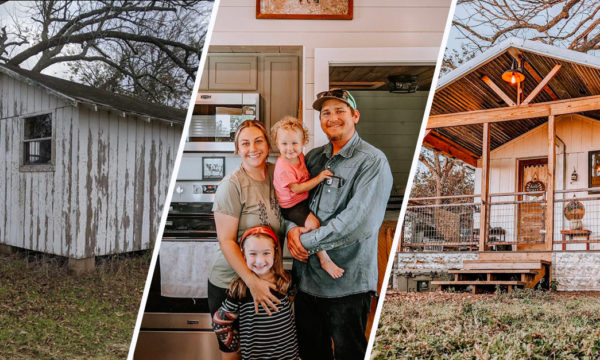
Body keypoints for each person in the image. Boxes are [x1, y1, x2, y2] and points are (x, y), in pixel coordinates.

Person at [287, 89, 393, 360]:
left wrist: (304, 242)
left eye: (340, 111)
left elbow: (359, 223)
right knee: (312, 354)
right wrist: (291, 232)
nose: (332, 117)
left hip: (347, 285)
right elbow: (292, 202)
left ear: (355, 116)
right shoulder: (311, 158)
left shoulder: (372, 161)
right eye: (326, 113)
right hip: (307, 282)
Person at [208, 120, 284, 360]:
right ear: (237, 149)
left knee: (263, 350)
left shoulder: (278, 174)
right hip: (232, 282)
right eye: (245, 143)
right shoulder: (232, 185)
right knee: (234, 352)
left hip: (265, 278)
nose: (253, 148)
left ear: (268, 144)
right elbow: (226, 241)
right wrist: (252, 282)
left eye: (258, 140)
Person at [271, 116, 343, 279]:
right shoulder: (283, 166)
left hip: (301, 201)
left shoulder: (300, 156)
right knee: (314, 224)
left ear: (303, 142)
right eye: (284, 144)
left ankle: (304, 232)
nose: (290, 148)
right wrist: (319, 178)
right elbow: (297, 188)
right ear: (277, 144)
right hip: (292, 206)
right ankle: (324, 259)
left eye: (294, 143)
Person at [212, 226, 299, 360]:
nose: (260, 261)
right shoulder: (240, 289)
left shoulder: (286, 281)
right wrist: (238, 346)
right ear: (243, 254)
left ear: (275, 252)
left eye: (266, 253)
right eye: (253, 254)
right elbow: (219, 322)